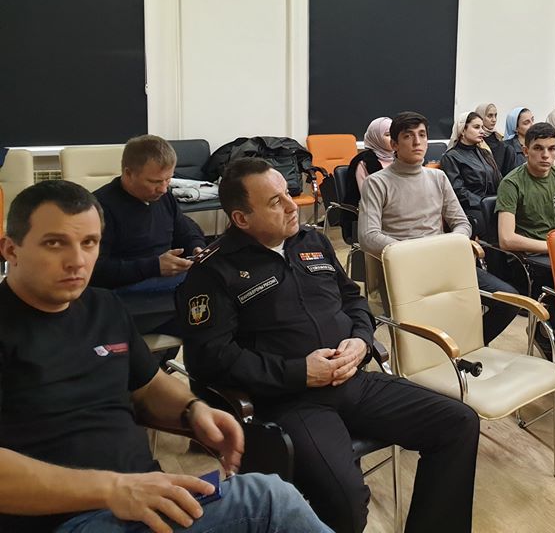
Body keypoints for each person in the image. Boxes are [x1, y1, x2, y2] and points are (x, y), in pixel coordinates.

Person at [0, 180, 332, 533]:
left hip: (145, 502)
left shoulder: (103, 307)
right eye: (54, 243)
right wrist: (114, 489)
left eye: (89, 243)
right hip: (63, 520)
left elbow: (147, 386)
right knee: (266, 501)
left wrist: (192, 410)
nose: (77, 261)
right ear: (10, 249)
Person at [179, 158, 480, 533]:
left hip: (355, 380)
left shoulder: (313, 241)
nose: (292, 205)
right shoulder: (213, 271)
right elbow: (209, 358)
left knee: (458, 423)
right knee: (346, 500)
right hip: (292, 400)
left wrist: (361, 340)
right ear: (242, 218)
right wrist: (300, 372)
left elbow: (353, 300)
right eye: (275, 202)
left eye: (287, 193)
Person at [360, 111, 518, 344]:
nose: (417, 142)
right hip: (406, 266)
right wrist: (413, 251)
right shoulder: (377, 182)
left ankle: (467, 346)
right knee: (424, 332)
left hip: (443, 260)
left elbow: (461, 222)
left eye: (422, 135)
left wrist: (452, 242)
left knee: (509, 300)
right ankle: (442, 353)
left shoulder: (438, 178)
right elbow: (368, 236)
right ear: (394, 144)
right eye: (408, 136)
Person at [92, 134, 206, 334]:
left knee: (211, 296)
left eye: (168, 179)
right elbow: (95, 271)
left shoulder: (164, 197)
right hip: (124, 292)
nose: (163, 189)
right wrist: (154, 266)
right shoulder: (100, 208)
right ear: (128, 173)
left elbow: (185, 230)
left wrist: (197, 248)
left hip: (160, 289)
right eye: (154, 181)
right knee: (206, 287)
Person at [496, 122, 555, 362]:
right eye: (538, 148)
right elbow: (506, 239)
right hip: (529, 256)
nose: (546, 155)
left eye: (552, 149)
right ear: (525, 151)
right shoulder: (512, 183)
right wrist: (551, 247)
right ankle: (547, 333)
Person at [440, 111, 502, 238]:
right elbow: (458, 191)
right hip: (471, 207)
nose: (482, 131)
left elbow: (499, 180)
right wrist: (484, 203)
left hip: (492, 203)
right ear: (463, 130)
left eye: (482, 127)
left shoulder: (485, 153)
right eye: (476, 127)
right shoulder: (451, 157)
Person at [350, 116, 393, 192]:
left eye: (395, 134)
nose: (393, 138)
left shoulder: (401, 158)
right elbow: (366, 195)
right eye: (388, 135)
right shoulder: (364, 163)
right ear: (376, 137)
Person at [501, 106, 534, 175]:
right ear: (515, 127)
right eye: (526, 123)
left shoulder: (536, 144)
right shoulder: (506, 147)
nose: (532, 125)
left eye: (532, 120)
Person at [475, 103, 506, 171]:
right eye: (490, 116)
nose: (494, 120)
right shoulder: (475, 140)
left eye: (495, 115)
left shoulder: (499, 138)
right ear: (481, 117)